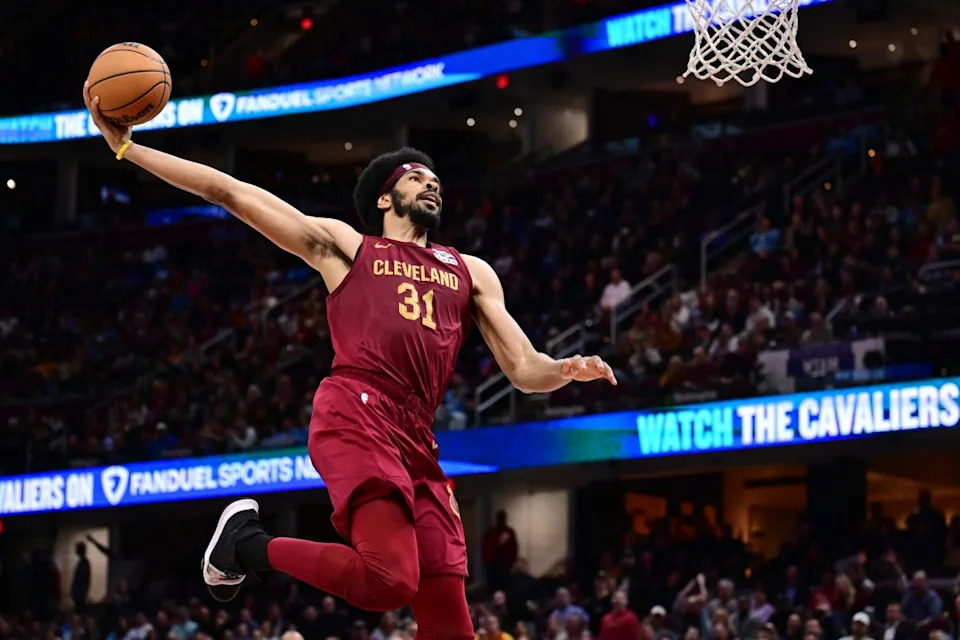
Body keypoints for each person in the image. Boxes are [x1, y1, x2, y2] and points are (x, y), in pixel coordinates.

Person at [83, 84, 616, 640]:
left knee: (450, 625)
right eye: (415, 176)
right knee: (387, 581)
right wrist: (128, 149)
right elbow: (233, 193)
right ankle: (245, 544)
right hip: (357, 410)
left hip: (418, 437)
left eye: (434, 179)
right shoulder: (348, 247)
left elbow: (524, 368)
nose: (430, 182)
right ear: (385, 199)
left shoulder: (472, 271)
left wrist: (564, 369)